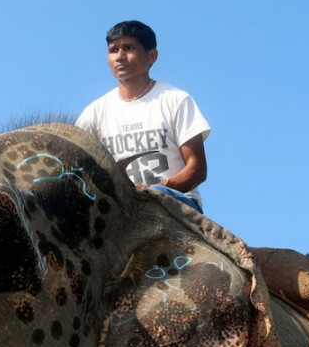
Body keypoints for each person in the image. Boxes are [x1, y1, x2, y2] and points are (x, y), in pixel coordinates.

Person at [76, 20, 210, 213]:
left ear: (152, 55)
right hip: (119, 208)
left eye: (129, 48)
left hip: (176, 203)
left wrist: (153, 191)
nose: (120, 57)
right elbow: (77, 168)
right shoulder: (94, 113)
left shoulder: (175, 100)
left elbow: (197, 169)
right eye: (113, 50)